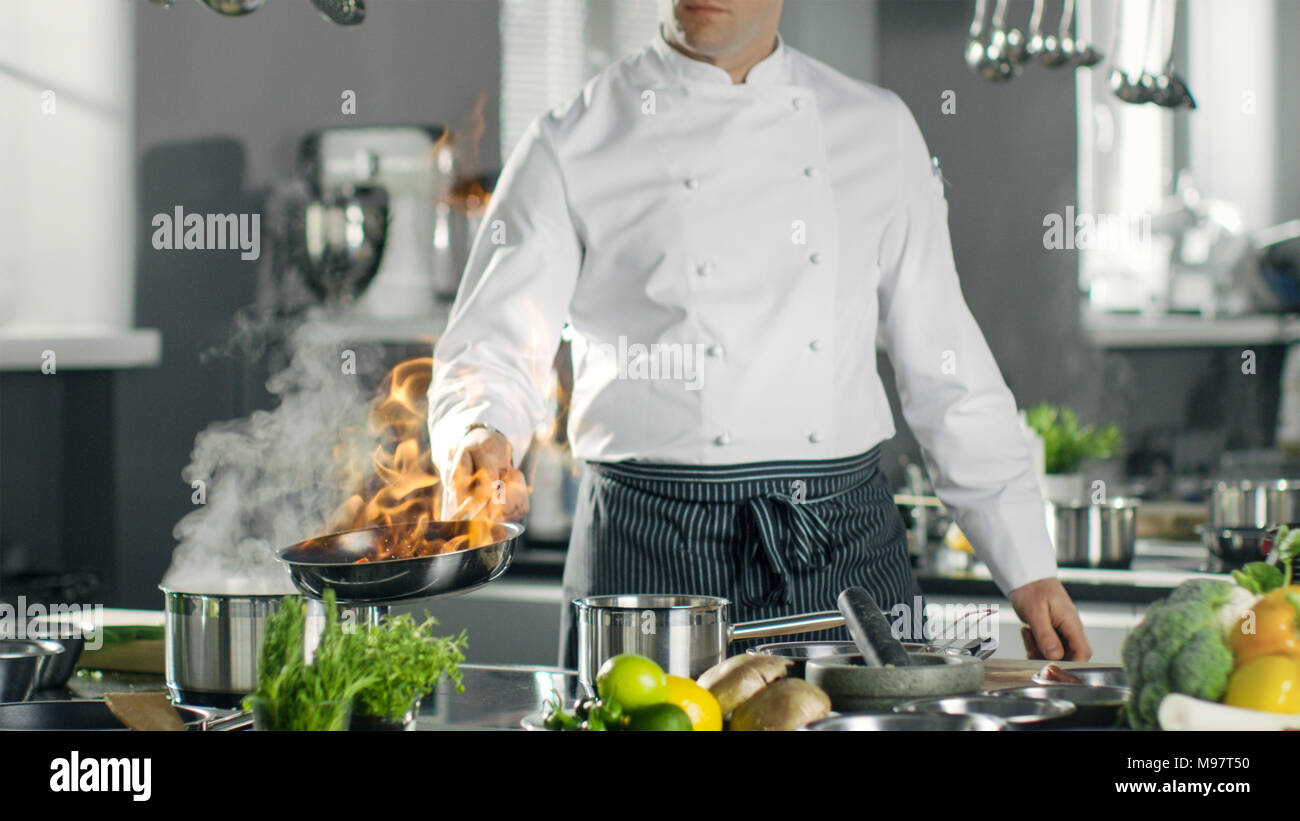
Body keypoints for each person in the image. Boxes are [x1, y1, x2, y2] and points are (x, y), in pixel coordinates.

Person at [429, 0, 1092, 667]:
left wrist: (1027, 562)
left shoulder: (876, 129)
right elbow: (493, 346)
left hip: (844, 554)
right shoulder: (570, 139)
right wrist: (480, 431)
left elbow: (947, 366)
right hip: (649, 558)